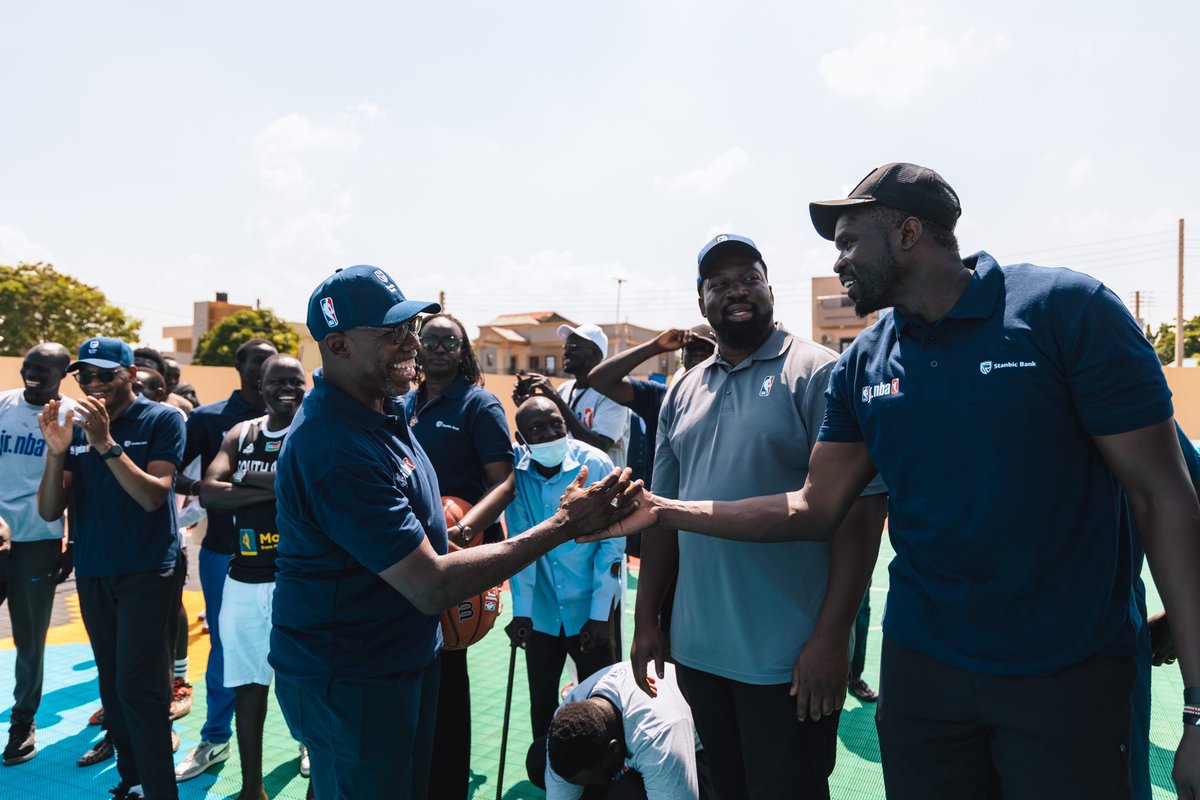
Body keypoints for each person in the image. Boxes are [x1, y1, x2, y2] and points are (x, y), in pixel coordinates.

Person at [601, 163, 1200, 798]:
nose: (839, 264)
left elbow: (1163, 499)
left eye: (850, 243)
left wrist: (1196, 705)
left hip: (1069, 671)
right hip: (926, 675)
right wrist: (664, 512)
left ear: (909, 233)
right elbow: (814, 507)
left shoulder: (1064, 311)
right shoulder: (864, 361)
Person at [270, 264, 639, 799]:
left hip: (399, 655)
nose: (410, 342)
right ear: (338, 345)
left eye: (410, 327)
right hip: (349, 675)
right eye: (391, 332)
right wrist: (563, 525)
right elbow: (431, 585)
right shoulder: (334, 448)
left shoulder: (386, 405)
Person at [625, 234, 887, 800]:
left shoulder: (820, 372)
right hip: (698, 653)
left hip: (787, 660)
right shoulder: (681, 389)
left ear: (770, 288)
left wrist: (831, 638)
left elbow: (860, 518)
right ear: (702, 302)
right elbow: (659, 517)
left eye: (748, 277)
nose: (735, 291)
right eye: (718, 283)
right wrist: (648, 620)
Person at [37, 337, 187, 800]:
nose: (94, 384)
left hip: (148, 569)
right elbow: (48, 511)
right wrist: (57, 451)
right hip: (96, 569)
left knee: (138, 687)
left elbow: (152, 495)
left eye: (105, 374)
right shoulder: (75, 427)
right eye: (85, 376)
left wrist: (104, 443)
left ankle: (160, 789)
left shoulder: (162, 419)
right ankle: (134, 780)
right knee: (112, 683)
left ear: (131, 375)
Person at [407, 312, 516, 800]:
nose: (437, 348)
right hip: (403, 549)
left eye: (448, 341)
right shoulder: (400, 404)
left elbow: (505, 482)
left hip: (453, 548)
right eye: (428, 340)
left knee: (447, 664)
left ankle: (446, 784)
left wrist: (467, 528)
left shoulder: (479, 405)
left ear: (463, 350)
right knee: (406, 663)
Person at [199, 354, 308, 800]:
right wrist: (276, 485)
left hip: (298, 577)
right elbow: (208, 492)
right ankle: (251, 787)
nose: (287, 388)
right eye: (276, 381)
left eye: (295, 381)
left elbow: (305, 493)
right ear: (259, 387)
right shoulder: (241, 433)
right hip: (243, 579)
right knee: (248, 685)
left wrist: (244, 490)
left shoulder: (312, 434)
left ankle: (314, 761)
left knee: (306, 684)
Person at [175, 336, 277, 782]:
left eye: (273, 364)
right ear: (239, 365)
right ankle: (215, 738)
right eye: (258, 362)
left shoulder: (302, 420)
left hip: (286, 558)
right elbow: (174, 473)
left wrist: (236, 490)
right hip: (223, 554)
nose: (265, 371)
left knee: (296, 649)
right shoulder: (210, 418)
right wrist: (211, 492)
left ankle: (307, 740)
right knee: (225, 649)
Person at [506, 396, 626, 740]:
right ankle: (548, 775)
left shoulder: (597, 463)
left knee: (602, 703)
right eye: (536, 429)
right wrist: (522, 613)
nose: (549, 434)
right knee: (541, 703)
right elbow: (521, 544)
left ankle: (604, 780)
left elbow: (611, 544)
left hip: (592, 609)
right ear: (521, 438)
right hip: (542, 613)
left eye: (556, 423)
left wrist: (601, 614)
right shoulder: (519, 472)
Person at [0, 343, 76, 766]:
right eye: (29, 366)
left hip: (40, 541)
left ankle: (22, 720)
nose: (33, 374)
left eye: (44, 369)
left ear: (62, 374)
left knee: (29, 641)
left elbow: (78, 484)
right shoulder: (3, 405)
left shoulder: (74, 416)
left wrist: (71, 539)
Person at [527, 661, 706, 800]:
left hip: (701, 757)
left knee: (626, 793)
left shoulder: (659, 736)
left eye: (597, 778)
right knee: (538, 759)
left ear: (614, 748)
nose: (601, 782)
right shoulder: (566, 717)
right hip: (631, 751)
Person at [515, 322, 631, 469]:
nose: (566, 353)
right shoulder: (565, 389)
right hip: (567, 481)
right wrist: (527, 405)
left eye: (573, 348)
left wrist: (555, 398)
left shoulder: (612, 393)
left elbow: (599, 446)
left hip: (603, 485)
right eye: (565, 348)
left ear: (595, 353)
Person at [134, 348, 192, 416]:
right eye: (134, 369)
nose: (136, 376)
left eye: (146, 371)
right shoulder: (118, 410)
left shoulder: (170, 416)